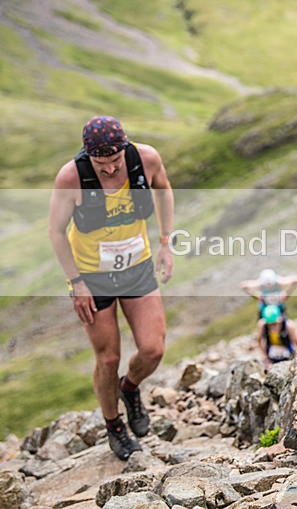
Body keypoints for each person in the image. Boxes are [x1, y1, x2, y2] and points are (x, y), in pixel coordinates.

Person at [48, 116, 175, 460]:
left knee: (153, 350)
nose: (108, 170)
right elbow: (56, 232)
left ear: (125, 148)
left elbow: (163, 190)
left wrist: (165, 242)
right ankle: (114, 426)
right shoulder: (71, 177)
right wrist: (76, 282)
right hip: (92, 276)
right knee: (108, 357)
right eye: (100, 164)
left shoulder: (145, 158)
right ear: (89, 156)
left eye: (114, 162)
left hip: (137, 267)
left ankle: (129, 388)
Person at [258, 304, 297, 369]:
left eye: (274, 324)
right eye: (270, 324)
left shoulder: (288, 325)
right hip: (271, 353)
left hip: (287, 352)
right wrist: (265, 356)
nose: (272, 327)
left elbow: (296, 343)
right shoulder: (263, 326)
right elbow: (259, 340)